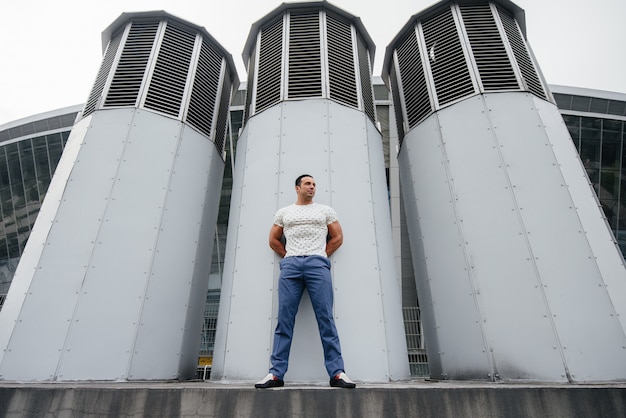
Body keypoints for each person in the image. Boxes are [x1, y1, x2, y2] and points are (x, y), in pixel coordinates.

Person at [255, 174, 356, 389]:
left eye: (314, 184)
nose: (312, 187)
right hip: (290, 265)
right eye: (308, 184)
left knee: (326, 318)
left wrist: (321, 255)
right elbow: (273, 239)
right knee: (284, 319)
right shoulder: (284, 212)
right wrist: (288, 256)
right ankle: (276, 374)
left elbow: (338, 237)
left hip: (317, 264)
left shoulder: (325, 210)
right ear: (297, 187)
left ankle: (337, 373)